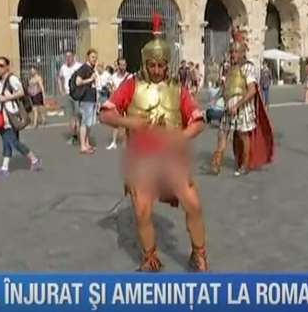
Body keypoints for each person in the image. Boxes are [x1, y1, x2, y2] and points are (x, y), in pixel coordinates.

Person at [99, 14, 209, 272]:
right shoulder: (130, 86)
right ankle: (150, 258)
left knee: (193, 203)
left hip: (172, 156)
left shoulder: (177, 88)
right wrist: (130, 124)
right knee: (142, 210)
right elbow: (105, 114)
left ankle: (199, 254)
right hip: (142, 157)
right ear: (145, 63)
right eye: (153, 65)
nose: (158, 70)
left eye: (162, 65)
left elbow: (198, 120)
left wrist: (181, 137)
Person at [210, 35, 275, 176]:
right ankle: (217, 162)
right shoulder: (230, 68)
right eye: (232, 52)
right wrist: (216, 98)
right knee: (222, 133)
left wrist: (238, 105)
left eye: (236, 52)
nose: (233, 55)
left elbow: (251, 90)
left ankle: (245, 164)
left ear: (243, 52)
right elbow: (227, 88)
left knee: (242, 135)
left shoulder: (247, 68)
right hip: (228, 107)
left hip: (243, 108)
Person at [0, 57, 41, 176]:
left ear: (7, 66)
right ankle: (5, 167)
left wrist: (7, 97)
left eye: (1, 65)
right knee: (6, 142)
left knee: (13, 142)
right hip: (2, 115)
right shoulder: (0, 81)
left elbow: (21, 92)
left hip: (11, 114)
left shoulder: (12, 79)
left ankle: (34, 160)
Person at [75, 49, 99, 154]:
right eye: (93, 57)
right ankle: (83, 146)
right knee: (85, 122)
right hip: (86, 99)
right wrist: (90, 79)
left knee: (89, 123)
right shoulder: (84, 68)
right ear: (88, 57)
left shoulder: (91, 69)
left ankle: (87, 143)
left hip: (92, 98)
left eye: (95, 57)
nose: (94, 59)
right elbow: (78, 82)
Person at [106, 58, 132, 150]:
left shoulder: (130, 76)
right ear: (118, 65)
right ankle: (114, 142)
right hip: (117, 102)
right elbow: (108, 84)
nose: (123, 67)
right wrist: (110, 89)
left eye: (124, 65)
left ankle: (126, 141)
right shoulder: (113, 76)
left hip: (126, 102)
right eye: (121, 65)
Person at [58, 50, 81, 145]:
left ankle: (81, 138)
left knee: (79, 117)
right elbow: (59, 78)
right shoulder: (63, 67)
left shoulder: (79, 66)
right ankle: (73, 136)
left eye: (70, 56)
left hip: (78, 94)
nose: (68, 58)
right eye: (66, 56)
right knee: (71, 118)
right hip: (68, 95)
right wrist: (61, 90)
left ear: (74, 56)